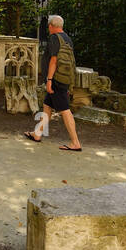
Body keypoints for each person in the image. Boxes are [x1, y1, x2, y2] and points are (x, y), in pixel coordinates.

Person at [23, 14, 82, 151]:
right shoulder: (67, 38)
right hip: (64, 78)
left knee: (65, 110)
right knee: (47, 106)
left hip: (56, 80)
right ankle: (37, 134)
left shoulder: (55, 38)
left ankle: (75, 142)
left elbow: (54, 61)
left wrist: (49, 80)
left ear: (51, 26)